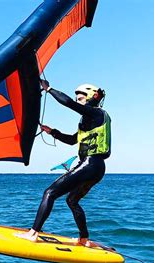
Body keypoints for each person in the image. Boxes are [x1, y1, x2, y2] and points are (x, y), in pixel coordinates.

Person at [17, 79, 111, 247]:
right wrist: (52, 131)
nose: (77, 100)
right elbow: (71, 140)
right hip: (96, 167)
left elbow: (67, 103)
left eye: (81, 98)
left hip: (91, 163)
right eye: (77, 98)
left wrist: (49, 89)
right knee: (72, 200)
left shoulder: (96, 113)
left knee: (49, 193)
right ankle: (84, 239)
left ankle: (33, 233)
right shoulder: (90, 120)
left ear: (93, 96)